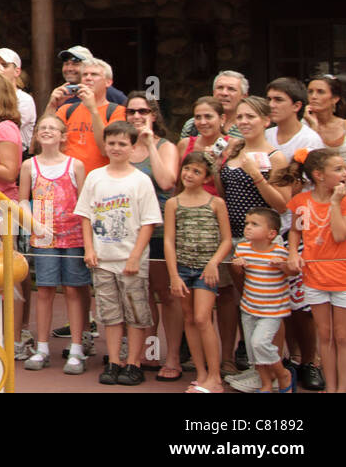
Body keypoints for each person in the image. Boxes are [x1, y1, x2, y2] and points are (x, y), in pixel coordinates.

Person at [74, 120, 163, 386]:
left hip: (130, 259)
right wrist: (89, 248)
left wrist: (136, 255)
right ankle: (114, 360)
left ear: (133, 147)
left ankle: (134, 362)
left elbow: (149, 222)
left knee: (136, 314)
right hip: (102, 258)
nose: (116, 148)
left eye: (122, 144)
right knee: (109, 314)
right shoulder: (95, 177)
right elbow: (86, 215)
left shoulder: (141, 180)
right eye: (111, 143)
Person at [217, 96, 289, 386]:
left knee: (269, 307)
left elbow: (282, 204)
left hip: (264, 242)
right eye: (241, 117)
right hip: (234, 238)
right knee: (243, 305)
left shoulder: (276, 157)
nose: (244, 122)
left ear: (266, 121)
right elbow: (224, 192)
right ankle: (254, 368)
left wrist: (256, 175)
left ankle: (276, 369)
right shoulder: (234, 150)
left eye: (251, 117)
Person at [19, 115, 89, 375]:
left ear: (63, 136)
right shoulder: (29, 165)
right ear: (36, 135)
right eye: (43, 128)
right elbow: (23, 200)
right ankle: (43, 347)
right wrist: (33, 224)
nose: (47, 131)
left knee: (73, 290)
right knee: (45, 290)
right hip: (44, 238)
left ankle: (77, 347)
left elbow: (84, 203)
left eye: (53, 128)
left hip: (73, 236)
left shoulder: (75, 165)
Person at [287, 147, 346, 394]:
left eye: (343, 168)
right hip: (314, 277)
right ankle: (331, 386)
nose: (344, 173)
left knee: (344, 336)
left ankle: (344, 389)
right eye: (337, 169)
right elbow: (294, 230)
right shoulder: (300, 202)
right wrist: (293, 252)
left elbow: (340, 234)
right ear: (318, 175)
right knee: (324, 335)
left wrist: (336, 202)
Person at [126, 92, 182, 382]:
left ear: (153, 115)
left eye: (142, 111)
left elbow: (166, 181)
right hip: (128, 233)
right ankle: (149, 352)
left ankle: (172, 356)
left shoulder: (166, 146)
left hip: (160, 230)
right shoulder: (124, 146)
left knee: (167, 295)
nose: (136, 116)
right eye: (131, 111)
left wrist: (149, 143)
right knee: (142, 295)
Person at [165, 151, 232, 393]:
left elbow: (226, 240)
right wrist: (173, 274)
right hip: (182, 269)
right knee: (190, 320)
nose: (189, 174)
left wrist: (213, 263)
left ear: (206, 178)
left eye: (196, 171)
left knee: (203, 318)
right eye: (187, 169)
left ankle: (215, 376)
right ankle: (202, 373)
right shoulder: (174, 203)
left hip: (206, 271)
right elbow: (169, 241)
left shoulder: (216, 203)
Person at [269, 151, 324, 391]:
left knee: (306, 310)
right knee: (288, 308)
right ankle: (294, 358)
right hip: (281, 243)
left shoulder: (321, 195)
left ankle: (310, 361)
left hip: (311, 249)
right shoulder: (294, 190)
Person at [233, 207, 294, 393]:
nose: (248, 228)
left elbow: (293, 272)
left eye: (254, 224)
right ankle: (265, 383)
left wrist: (283, 266)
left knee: (260, 343)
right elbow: (239, 273)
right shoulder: (242, 248)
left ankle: (283, 375)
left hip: (272, 310)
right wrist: (238, 266)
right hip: (249, 307)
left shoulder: (280, 251)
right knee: (253, 349)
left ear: (271, 233)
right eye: (247, 224)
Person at [47, 58, 125, 174]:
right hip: (67, 180)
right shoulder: (67, 109)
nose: (88, 78)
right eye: (85, 75)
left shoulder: (118, 111)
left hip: (99, 180)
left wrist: (93, 109)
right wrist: (52, 106)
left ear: (108, 82)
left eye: (94, 74)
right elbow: (42, 143)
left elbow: (105, 150)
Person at [177, 96, 231, 196]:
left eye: (208, 117)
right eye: (198, 117)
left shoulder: (233, 145)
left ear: (222, 119)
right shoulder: (184, 144)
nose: (203, 122)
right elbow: (178, 184)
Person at [265, 77, 324, 164]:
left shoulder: (310, 140)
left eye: (278, 100)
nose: (271, 105)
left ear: (296, 106)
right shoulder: (265, 135)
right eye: (269, 99)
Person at [0, 47, 36, 153]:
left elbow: (7, 129)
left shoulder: (24, 100)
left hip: (14, 155)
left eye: (4, 65)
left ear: (17, 71)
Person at [179, 71, 248, 141]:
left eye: (231, 89)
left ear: (244, 96)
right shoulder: (192, 125)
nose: (224, 93)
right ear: (213, 92)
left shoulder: (250, 126)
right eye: (220, 88)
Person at [56, 46, 125, 105]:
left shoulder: (107, 92)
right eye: (66, 64)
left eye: (75, 64)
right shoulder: (63, 92)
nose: (69, 69)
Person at [306, 76, 346, 160]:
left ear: (335, 99)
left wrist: (331, 166)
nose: (313, 96)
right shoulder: (302, 126)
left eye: (320, 92)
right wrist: (313, 128)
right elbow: (304, 161)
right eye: (310, 92)